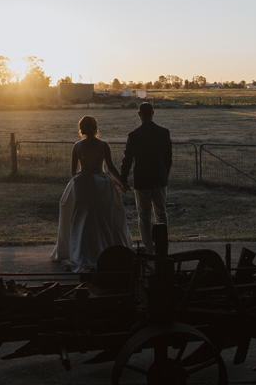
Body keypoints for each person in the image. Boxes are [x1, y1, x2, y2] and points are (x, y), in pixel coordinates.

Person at [50, 115, 133, 272]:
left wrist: (77, 184)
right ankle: (107, 249)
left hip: (82, 184)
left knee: (83, 217)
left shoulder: (77, 146)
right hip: (101, 184)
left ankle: (83, 250)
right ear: (96, 128)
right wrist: (122, 183)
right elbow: (110, 168)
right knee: (104, 216)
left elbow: (73, 172)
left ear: (81, 129)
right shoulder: (103, 145)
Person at [119, 102, 172, 255]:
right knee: (161, 213)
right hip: (159, 179)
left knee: (144, 215)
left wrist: (123, 180)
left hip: (142, 180)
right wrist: (164, 174)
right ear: (153, 113)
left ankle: (149, 248)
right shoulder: (164, 133)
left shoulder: (134, 135)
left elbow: (127, 159)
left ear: (139, 114)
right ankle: (163, 246)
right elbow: (168, 158)